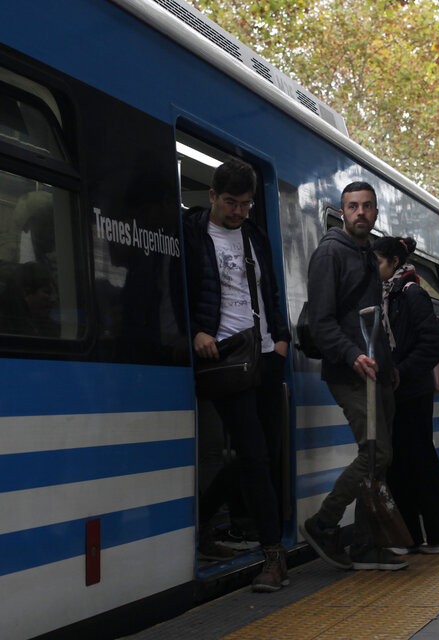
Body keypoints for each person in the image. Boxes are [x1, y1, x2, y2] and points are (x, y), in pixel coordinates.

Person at [183, 158, 291, 592]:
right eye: (230, 202)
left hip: (265, 356)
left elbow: (271, 292)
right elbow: (175, 292)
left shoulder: (254, 236)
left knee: (261, 455)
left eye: (245, 204)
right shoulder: (193, 235)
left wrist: (280, 340)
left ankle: (206, 520)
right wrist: (196, 332)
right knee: (253, 455)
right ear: (211, 195)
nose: (238, 212)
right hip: (225, 359)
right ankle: (273, 557)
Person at [300, 182, 407, 571]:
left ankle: (366, 545)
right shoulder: (330, 253)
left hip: (376, 370)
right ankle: (323, 522)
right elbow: (321, 323)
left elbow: (373, 319)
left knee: (378, 460)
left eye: (367, 207)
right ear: (342, 212)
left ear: (376, 213)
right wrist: (353, 355)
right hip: (348, 371)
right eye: (352, 206)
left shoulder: (365, 254)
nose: (360, 212)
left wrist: (389, 366)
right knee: (376, 452)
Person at [373, 235, 439, 555]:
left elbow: (431, 344)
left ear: (394, 263)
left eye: (378, 262)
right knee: (401, 462)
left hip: (413, 390)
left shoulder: (412, 293)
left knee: (419, 461)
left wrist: (402, 370)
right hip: (397, 390)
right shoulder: (388, 294)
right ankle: (408, 535)